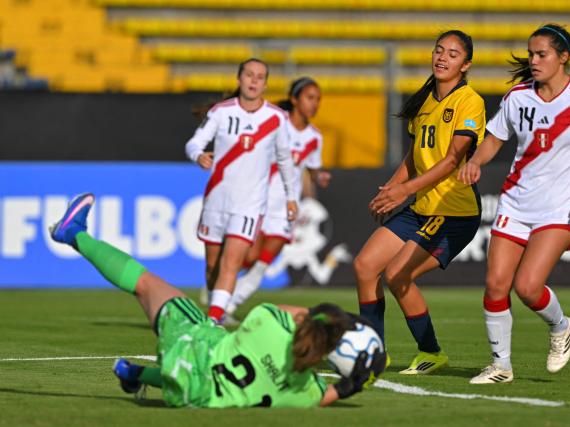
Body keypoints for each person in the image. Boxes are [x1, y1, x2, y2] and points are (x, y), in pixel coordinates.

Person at [49, 193, 385, 408]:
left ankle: (74, 234)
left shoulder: (268, 322)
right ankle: (135, 374)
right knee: (211, 373)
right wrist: (348, 387)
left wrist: (333, 318)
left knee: (147, 284)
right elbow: (327, 395)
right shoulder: (304, 392)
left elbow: (296, 315)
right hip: (188, 396)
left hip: (184, 350)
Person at [458, 24, 570, 384]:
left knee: (528, 287)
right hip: (516, 202)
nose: (533, 60)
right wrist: (475, 161)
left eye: (541, 54)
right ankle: (501, 366)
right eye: (530, 54)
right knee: (496, 285)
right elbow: (495, 139)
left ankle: (561, 327)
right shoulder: (517, 97)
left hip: (562, 208)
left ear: (563, 57)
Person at [353, 30, 486, 374]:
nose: (443, 57)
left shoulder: (469, 101)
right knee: (365, 266)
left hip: (453, 212)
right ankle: (374, 352)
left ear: (466, 64)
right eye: (439, 51)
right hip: (422, 208)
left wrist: (405, 191)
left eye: (453, 54)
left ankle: (431, 351)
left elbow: (452, 160)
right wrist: (392, 189)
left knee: (398, 274)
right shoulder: (425, 100)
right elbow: (415, 156)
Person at [185, 58, 298, 322]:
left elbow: (285, 159)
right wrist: (198, 155)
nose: (254, 81)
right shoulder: (221, 112)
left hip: (250, 205)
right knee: (212, 265)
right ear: (239, 79)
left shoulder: (276, 118)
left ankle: (214, 320)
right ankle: (216, 307)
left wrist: (291, 198)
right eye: (249, 75)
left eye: (260, 77)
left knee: (231, 264)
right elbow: (194, 142)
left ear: (265, 84)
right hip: (217, 199)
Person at [226, 77, 331, 319]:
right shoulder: (276, 124)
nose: (314, 104)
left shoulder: (315, 137)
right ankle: (219, 287)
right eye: (309, 98)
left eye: (318, 99)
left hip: (286, 208)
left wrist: (320, 176)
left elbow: (313, 168)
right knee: (249, 257)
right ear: (294, 100)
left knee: (262, 263)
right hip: (260, 198)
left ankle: (227, 307)